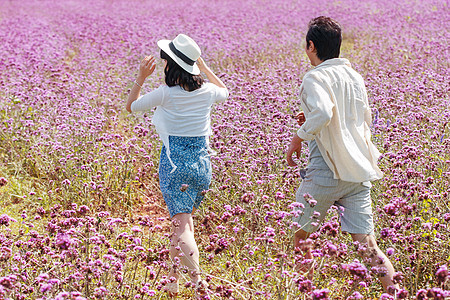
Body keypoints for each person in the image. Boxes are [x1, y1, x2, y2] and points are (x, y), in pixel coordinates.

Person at [286, 16, 400, 294]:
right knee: (368, 245)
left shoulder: (314, 76)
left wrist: (298, 137)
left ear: (310, 46)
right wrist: (313, 118)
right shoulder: (354, 76)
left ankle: (310, 292)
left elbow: (325, 112)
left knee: (301, 236)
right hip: (357, 171)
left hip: (326, 170)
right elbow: (361, 118)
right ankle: (397, 294)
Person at [126, 33, 229, 297]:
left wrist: (140, 77)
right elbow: (225, 92)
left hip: (175, 168)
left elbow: (131, 106)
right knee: (184, 225)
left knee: (181, 226)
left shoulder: (165, 94)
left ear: (170, 65)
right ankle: (172, 280)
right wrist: (204, 67)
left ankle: (199, 286)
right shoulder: (207, 92)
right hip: (203, 167)